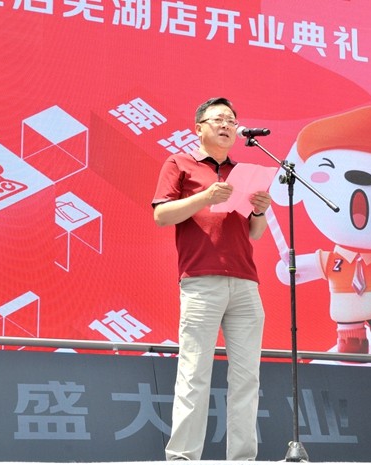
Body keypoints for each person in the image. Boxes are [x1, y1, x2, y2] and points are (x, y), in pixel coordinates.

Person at [151, 97, 271, 461]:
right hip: (201, 280)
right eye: (218, 119)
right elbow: (162, 215)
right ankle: (183, 458)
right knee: (194, 373)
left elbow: (254, 233)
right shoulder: (179, 163)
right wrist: (206, 196)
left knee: (247, 377)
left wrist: (260, 211)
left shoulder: (242, 172)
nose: (226, 126)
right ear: (198, 127)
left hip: (245, 282)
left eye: (231, 121)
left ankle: (242, 458)